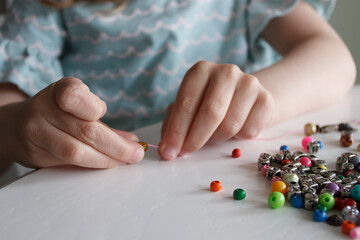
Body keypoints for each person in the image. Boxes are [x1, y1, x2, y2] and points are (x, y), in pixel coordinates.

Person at [0, 0, 356, 172]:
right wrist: (16, 128)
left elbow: (333, 59)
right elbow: (6, 117)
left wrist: (252, 98)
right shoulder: (42, 9)